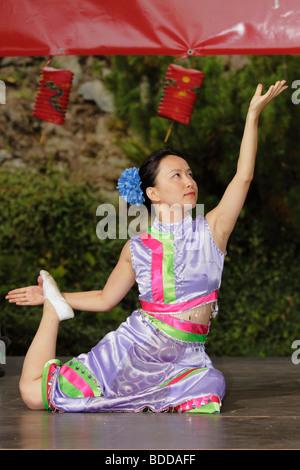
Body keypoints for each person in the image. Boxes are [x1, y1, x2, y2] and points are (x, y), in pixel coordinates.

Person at [6, 80, 287, 413]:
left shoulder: (213, 229)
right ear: (153, 193)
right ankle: (51, 313)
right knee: (34, 396)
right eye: (176, 176)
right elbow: (105, 298)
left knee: (211, 388)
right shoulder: (136, 247)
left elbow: (243, 177)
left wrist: (252, 115)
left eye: (190, 173)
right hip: (133, 349)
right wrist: (55, 298)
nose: (189, 181)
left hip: (186, 360)